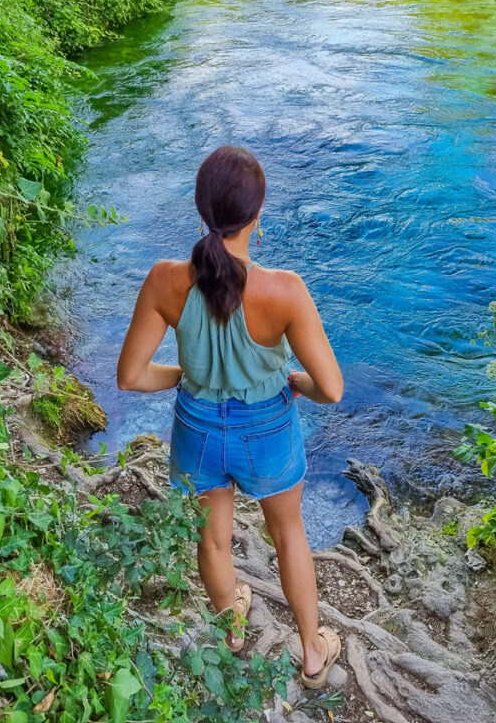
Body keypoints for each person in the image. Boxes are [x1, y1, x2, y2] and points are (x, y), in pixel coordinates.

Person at [117, 145, 343, 688]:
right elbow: (330, 389)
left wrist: (191, 377)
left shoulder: (164, 280)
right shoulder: (284, 290)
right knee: (288, 535)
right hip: (266, 429)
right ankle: (312, 653)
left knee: (213, 540)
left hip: (197, 429)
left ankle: (232, 635)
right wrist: (294, 382)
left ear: (201, 213)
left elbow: (131, 377)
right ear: (257, 217)